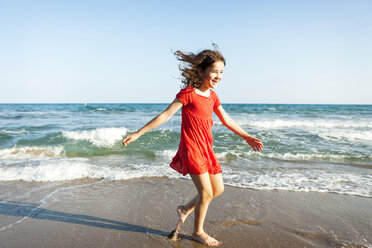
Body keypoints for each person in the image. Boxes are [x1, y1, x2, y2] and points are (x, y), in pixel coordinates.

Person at [122, 44, 263, 246]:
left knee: (217, 190)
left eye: (221, 72)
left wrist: (246, 136)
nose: (218, 76)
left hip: (207, 149)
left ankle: (185, 209)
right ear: (202, 71)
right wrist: (138, 133)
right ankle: (198, 232)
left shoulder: (213, 96)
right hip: (191, 148)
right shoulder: (188, 93)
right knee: (206, 193)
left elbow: (226, 119)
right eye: (214, 71)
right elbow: (165, 115)